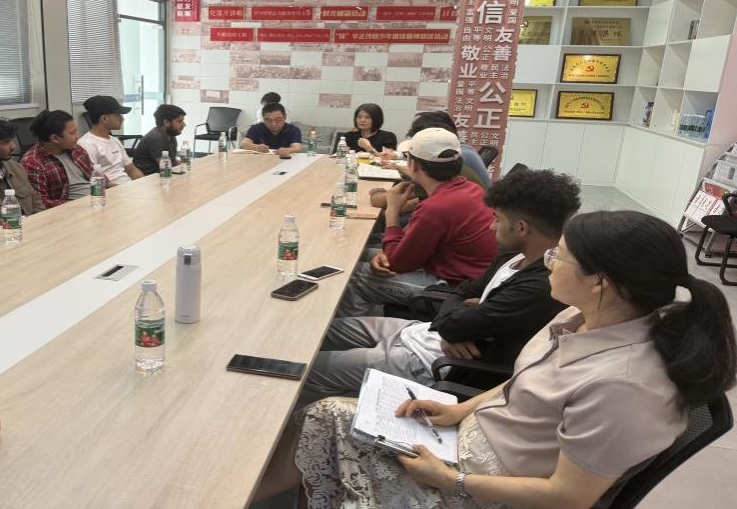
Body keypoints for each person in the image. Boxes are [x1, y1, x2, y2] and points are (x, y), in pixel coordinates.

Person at [259, 210, 737, 509]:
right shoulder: (579, 317)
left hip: (486, 488)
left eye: (559, 258)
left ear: (601, 282)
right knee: (327, 417)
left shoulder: (624, 387)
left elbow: (570, 497)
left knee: (326, 418)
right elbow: (525, 380)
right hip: (473, 440)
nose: (547, 265)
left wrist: (452, 480)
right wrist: (459, 409)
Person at [303, 169, 580, 403]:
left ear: (521, 228)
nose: (490, 227)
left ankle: (305, 431)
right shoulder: (513, 255)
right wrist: (460, 314)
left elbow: (456, 324)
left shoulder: (541, 285)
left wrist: (459, 319)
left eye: (497, 219)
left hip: (426, 362)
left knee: (307, 372)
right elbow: (463, 292)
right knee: (320, 331)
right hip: (422, 332)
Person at [336, 128, 497, 318]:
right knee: (359, 256)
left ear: (413, 165)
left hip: (454, 290)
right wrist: (389, 252)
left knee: (352, 276)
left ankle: (352, 330)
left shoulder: (437, 206)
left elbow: (395, 263)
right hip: (475, 280)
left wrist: (392, 211)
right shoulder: (470, 188)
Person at [21, 110, 94, 209]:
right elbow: (41, 202)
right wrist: (77, 205)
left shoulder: (76, 149)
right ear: (55, 138)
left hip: (96, 200)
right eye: (72, 133)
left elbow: (95, 173)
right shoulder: (33, 163)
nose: (78, 136)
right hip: (71, 210)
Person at [77, 95, 143, 185]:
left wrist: (144, 183)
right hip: (111, 190)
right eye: (117, 115)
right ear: (104, 119)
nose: (122, 118)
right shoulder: (87, 145)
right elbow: (94, 180)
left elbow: (131, 169)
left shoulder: (114, 140)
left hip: (127, 187)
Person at [133, 103, 187, 176]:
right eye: (179, 121)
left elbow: (173, 161)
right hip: (149, 178)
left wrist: (186, 167)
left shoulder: (170, 135)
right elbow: (165, 167)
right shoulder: (157, 138)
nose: (184, 124)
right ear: (166, 122)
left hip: (161, 175)